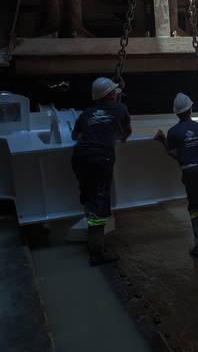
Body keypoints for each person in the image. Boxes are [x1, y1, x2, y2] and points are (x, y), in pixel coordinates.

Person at [154, 93, 198, 262]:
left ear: (176, 113)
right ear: (191, 109)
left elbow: (173, 153)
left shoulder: (173, 132)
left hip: (190, 171)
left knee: (195, 208)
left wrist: (162, 141)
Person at [72, 77, 131, 265]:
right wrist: (117, 136)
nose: (116, 92)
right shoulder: (121, 109)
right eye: (114, 90)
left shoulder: (87, 112)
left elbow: (76, 136)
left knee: (90, 195)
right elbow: (127, 131)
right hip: (101, 157)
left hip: (80, 156)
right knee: (100, 199)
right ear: (111, 94)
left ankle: (91, 226)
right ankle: (97, 252)